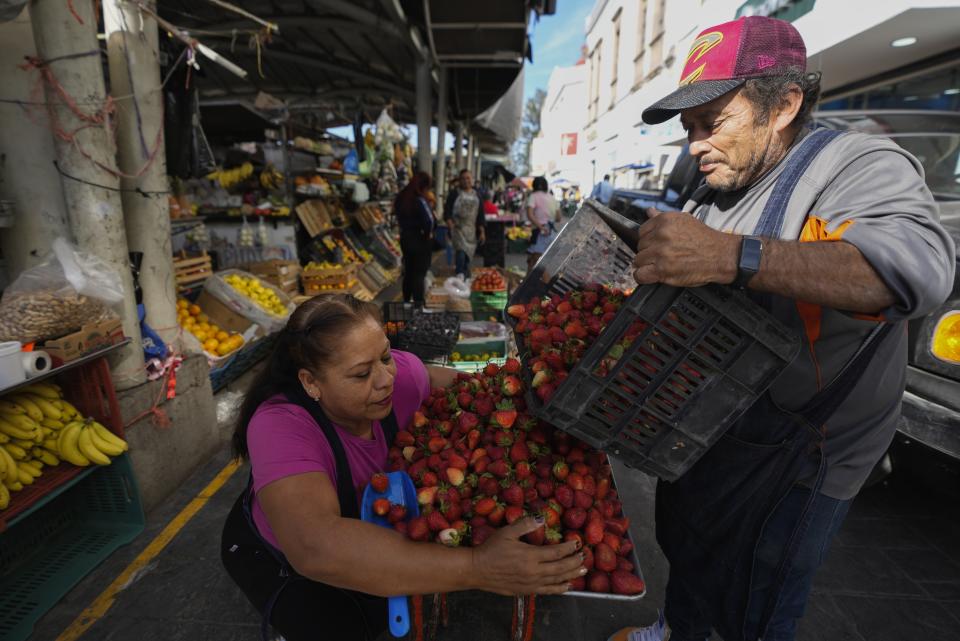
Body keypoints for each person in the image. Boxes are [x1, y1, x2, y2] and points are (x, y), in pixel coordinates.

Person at [610, 15, 955, 641]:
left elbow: (916, 271)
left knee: (760, 591)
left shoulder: (855, 164)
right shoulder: (719, 184)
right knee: (689, 545)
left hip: (803, 449)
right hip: (715, 425)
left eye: (711, 122)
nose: (695, 145)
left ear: (784, 104)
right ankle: (677, 630)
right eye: (688, 128)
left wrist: (728, 256)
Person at [221, 296, 586, 641]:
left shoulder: (402, 377)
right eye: (361, 374)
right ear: (311, 382)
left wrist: (549, 397)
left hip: (372, 527)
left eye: (385, 357)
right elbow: (314, 547)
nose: (384, 379)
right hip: (287, 559)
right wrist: (477, 566)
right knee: (334, 625)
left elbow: (479, 391)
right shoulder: (279, 425)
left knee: (386, 596)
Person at [394, 171, 435, 304]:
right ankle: (418, 305)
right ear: (424, 186)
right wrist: (428, 233)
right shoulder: (419, 199)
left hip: (405, 238)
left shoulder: (401, 197)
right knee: (419, 273)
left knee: (409, 271)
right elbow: (429, 221)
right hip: (419, 238)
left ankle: (406, 302)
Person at [444, 169, 486, 278]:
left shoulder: (478, 195)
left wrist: (482, 231)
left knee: (467, 257)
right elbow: (447, 211)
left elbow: (481, 215)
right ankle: (459, 276)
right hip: (458, 230)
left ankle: (465, 279)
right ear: (459, 180)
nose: (466, 181)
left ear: (472, 179)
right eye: (463, 178)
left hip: (471, 231)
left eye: (468, 178)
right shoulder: (454, 194)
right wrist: (450, 225)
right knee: (461, 255)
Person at [525, 176, 560, 274]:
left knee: (534, 262)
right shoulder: (552, 198)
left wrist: (540, 226)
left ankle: (528, 287)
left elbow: (529, 214)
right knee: (545, 264)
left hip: (540, 233)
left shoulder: (533, 196)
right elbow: (558, 218)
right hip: (551, 234)